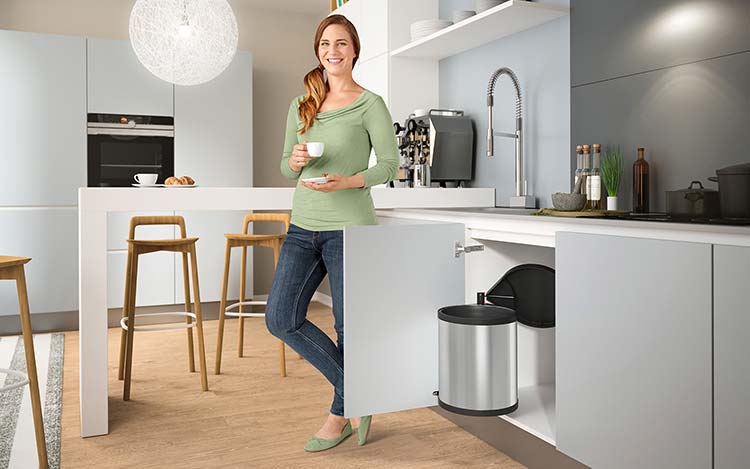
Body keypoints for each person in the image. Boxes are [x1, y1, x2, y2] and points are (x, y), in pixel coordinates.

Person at [264, 14, 399, 452]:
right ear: (318, 50)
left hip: (350, 228)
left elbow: (389, 166)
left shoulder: (370, 103)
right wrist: (298, 162)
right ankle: (359, 391)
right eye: (325, 43)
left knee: (348, 328)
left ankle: (339, 415)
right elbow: (286, 166)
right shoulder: (302, 103)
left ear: (354, 50)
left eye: (341, 43)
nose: (332, 51)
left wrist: (351, 180)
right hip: (304, 226)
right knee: (281, 318)